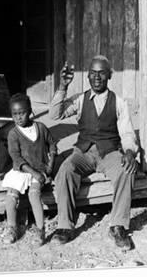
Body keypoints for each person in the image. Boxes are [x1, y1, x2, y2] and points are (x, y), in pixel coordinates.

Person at [50, 55, 138, 249]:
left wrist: (130, 151)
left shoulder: (119, 102)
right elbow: (54, 114)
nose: (97, 77)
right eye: (92, 73)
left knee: (127, 170)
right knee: (65, 170)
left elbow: (126, 132)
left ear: (110, 75)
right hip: (84, 152)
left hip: (109, 152)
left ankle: (118, 226)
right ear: (87, 76)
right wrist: (63, 87)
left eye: (102, 73)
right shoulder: (80, 100)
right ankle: (65, 226)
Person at [2, 93, 56, 246]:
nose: (19, 117)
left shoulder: (40, 128)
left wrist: (50, 164)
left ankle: (40, 229)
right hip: (23, 169)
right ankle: (12, 227)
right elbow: (16, 158)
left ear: (30, 111)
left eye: (22, 113)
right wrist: (34, 173)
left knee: (34, 194)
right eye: (15, 114)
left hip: (39, 168)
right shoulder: (13, 134)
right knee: (11, 195)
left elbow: (52, 144)